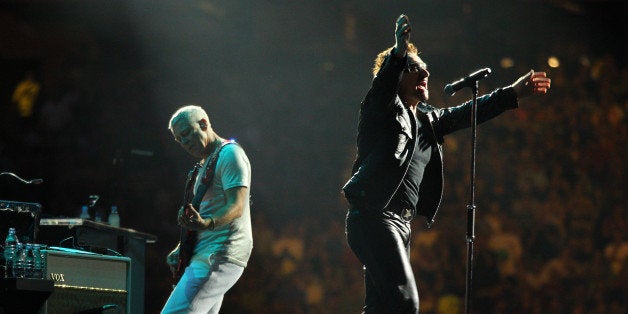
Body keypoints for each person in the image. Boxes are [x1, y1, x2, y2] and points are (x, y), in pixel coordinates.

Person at [342, 14, 551, 313]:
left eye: (425, 68)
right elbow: (383, 86)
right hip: (374, 216)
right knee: (404, 302)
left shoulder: (430, 119)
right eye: (414, 69)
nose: (424, 73)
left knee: (380, 307)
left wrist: (513, 92)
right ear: (397, 75)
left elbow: (470, 111)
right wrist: (399, 55)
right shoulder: (381, 110)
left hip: (401, 224)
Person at [162, 105, 252, 314]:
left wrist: (206, 223)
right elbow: (207, 211)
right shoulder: (205, 164)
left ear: (203, 124)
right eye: (179, 139)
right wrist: (181, 246)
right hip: (208, 252)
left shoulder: (230, 154)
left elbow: (236, 205)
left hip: (219, 253)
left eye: (186, 134)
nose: (184, 142)